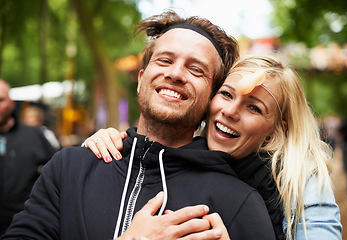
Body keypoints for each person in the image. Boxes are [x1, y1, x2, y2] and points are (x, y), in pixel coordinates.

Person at [1, 11, 276, 240]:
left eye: (196, 70)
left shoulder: (240, 201)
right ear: (141, 79)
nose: (175, 73)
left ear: (210, 99)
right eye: (165, 60)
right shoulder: (68, 168)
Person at [85, 54, 342, 240]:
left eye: (254, 107)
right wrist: (116, 142)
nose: (230, 111)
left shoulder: (301, 180)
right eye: (227, 94)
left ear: (275, 131)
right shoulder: (181, 157)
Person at [0, 80, 57, 235]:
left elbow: (57, 173)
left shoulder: (35, 136)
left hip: (26, 227)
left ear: (11, 103)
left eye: (1, 100)